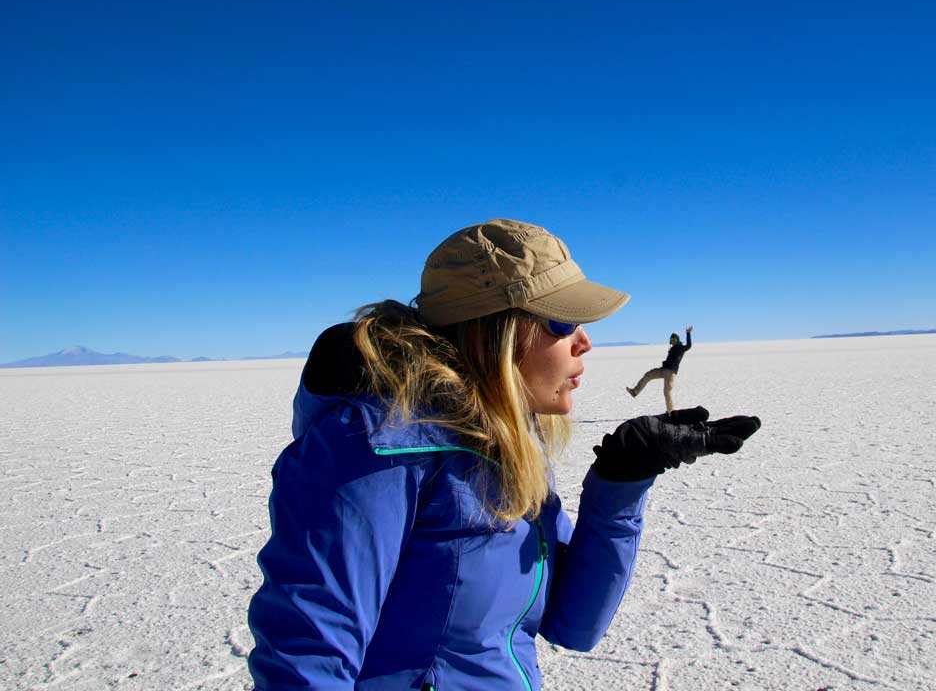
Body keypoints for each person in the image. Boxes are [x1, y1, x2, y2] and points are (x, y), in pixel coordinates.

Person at [247, 219, 760, 690]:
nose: (584, 342)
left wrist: (622, 477)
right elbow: (306, 659)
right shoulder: (375, 450)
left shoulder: (509, 443)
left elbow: (572, 623)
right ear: (497, 332)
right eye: (562, 322)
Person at [626, 325, 693, 412]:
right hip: (663, 370)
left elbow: (689, 345)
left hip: (670, 372)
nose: (673, 341)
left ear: (678, 340)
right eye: (672, 340)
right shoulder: (672, 348)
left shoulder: (681, 348)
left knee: (667, 392)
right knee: (648, 375)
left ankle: (671, 412)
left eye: (675, 340)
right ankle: (635, 392)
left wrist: (688, 333)